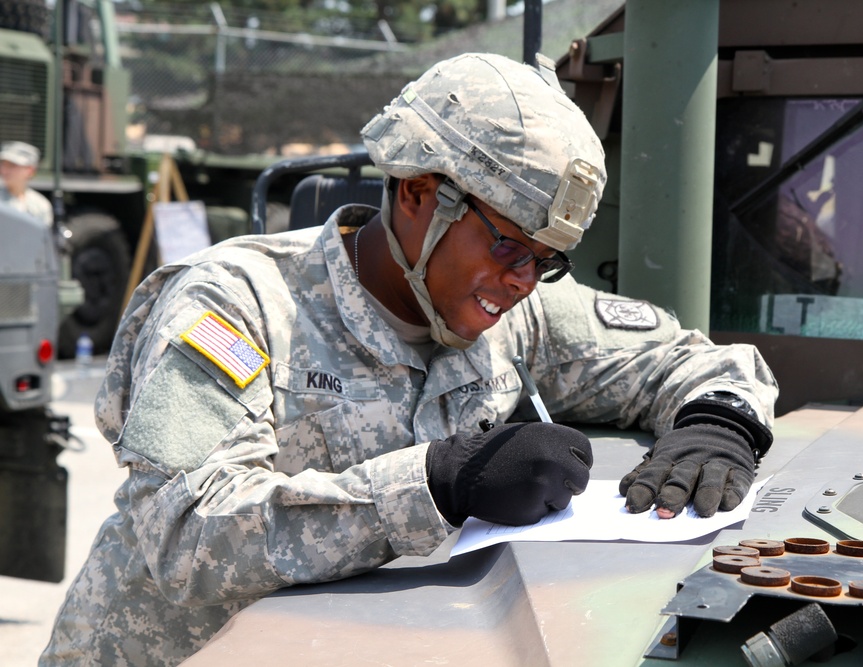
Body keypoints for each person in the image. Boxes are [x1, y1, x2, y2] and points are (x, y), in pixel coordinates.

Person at [42, 52, 778, 665]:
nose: (524, 280)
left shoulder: (510, 312)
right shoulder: (238, 303)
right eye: (509, 245)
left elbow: (684, 358)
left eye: (546, 261)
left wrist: (717, 423)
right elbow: (184, 530)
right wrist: (439, 483)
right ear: (421, 191)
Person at [0, 140, 53, 228]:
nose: (4, 170)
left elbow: (42, 238)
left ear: (30, 170)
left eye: (12, 165)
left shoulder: (40, 205)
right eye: (3, 164)